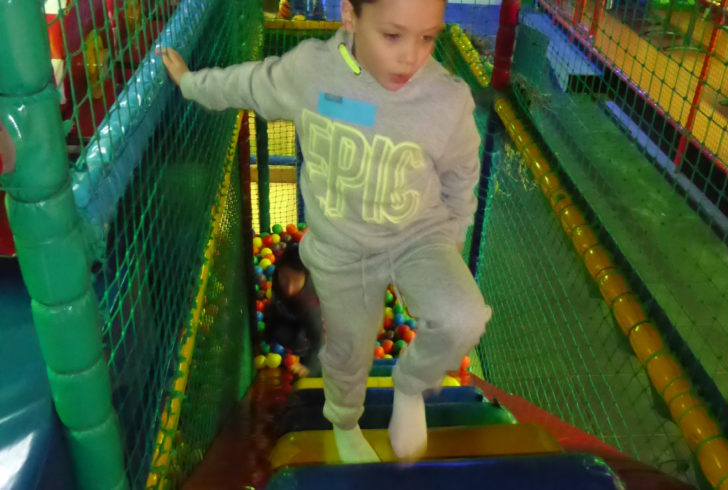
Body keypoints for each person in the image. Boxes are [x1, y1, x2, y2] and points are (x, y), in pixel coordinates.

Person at [159, 0, 491, 463]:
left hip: (417, 235)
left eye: (427, 38)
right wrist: (191, 83)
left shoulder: (444, 100)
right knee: (349, 351)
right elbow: (250, 83)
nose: (411, 57)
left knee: (464, 318)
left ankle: (410, 386)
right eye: (393, 36)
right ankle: (345, 423)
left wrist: (453, 233)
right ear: (351, 16)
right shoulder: (312, 74)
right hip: (341, 247)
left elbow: (461, 172)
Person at [265, 244, 323, 378]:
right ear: (279, 270)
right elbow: (275, 307)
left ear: (305, 277)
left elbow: (319, 340)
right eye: (285, 278)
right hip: (291, 315)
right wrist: (267, 336)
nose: (289, 288)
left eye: (296, 280)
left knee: (297, 341)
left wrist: (309, 368)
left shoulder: (309, 302)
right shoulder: (277, 277)